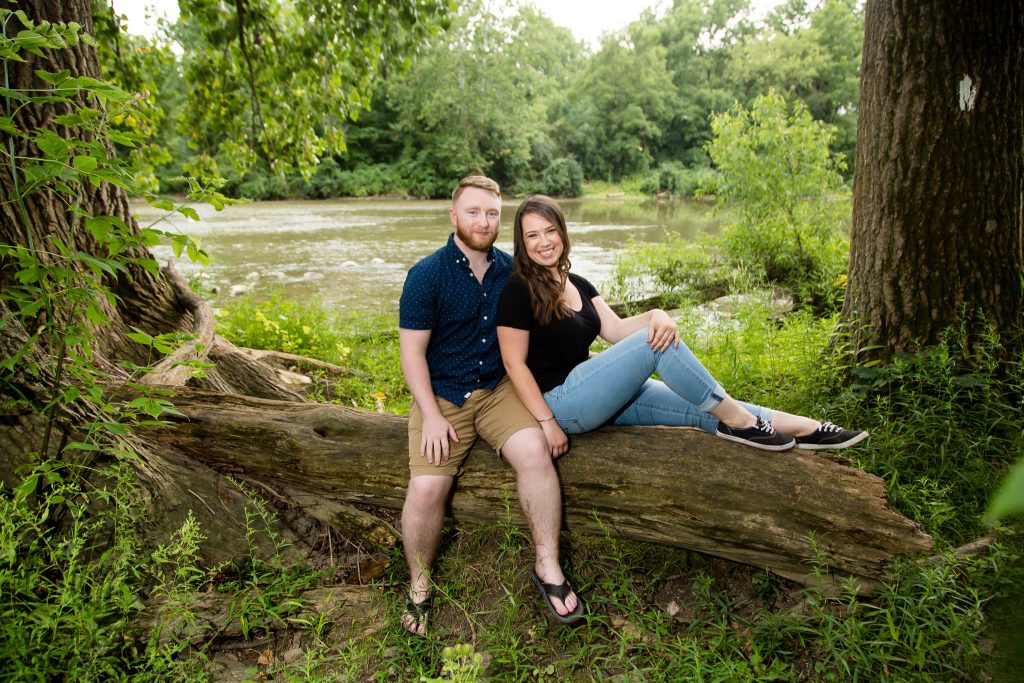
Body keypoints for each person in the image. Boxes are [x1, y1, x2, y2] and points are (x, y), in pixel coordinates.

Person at [495, 194, 868, 458]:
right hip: (560, 403)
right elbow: (514, 365)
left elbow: (615, 330)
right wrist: (547, 423)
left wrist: (658, 313)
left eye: (549, 231)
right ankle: (740, 420)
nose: (544, 242)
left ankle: (804, 429)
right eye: (532, 235)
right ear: (522, 242)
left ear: (562, 231)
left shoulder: (578, 283)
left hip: (597, 395)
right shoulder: (517, 289)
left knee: (698, 409)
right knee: (655, 344)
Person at [397, 178, 583, 636]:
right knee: (425, 490)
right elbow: (411, 355)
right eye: (475, 212)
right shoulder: (427, 274)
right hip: (442, 394)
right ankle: (419, 585)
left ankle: (548, 566)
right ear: (454, 216)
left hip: (499, 391)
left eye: (493, 213)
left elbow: (562, 319)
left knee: (536, 453)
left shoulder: (511, 273)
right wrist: (433, 415)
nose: (484, 221)